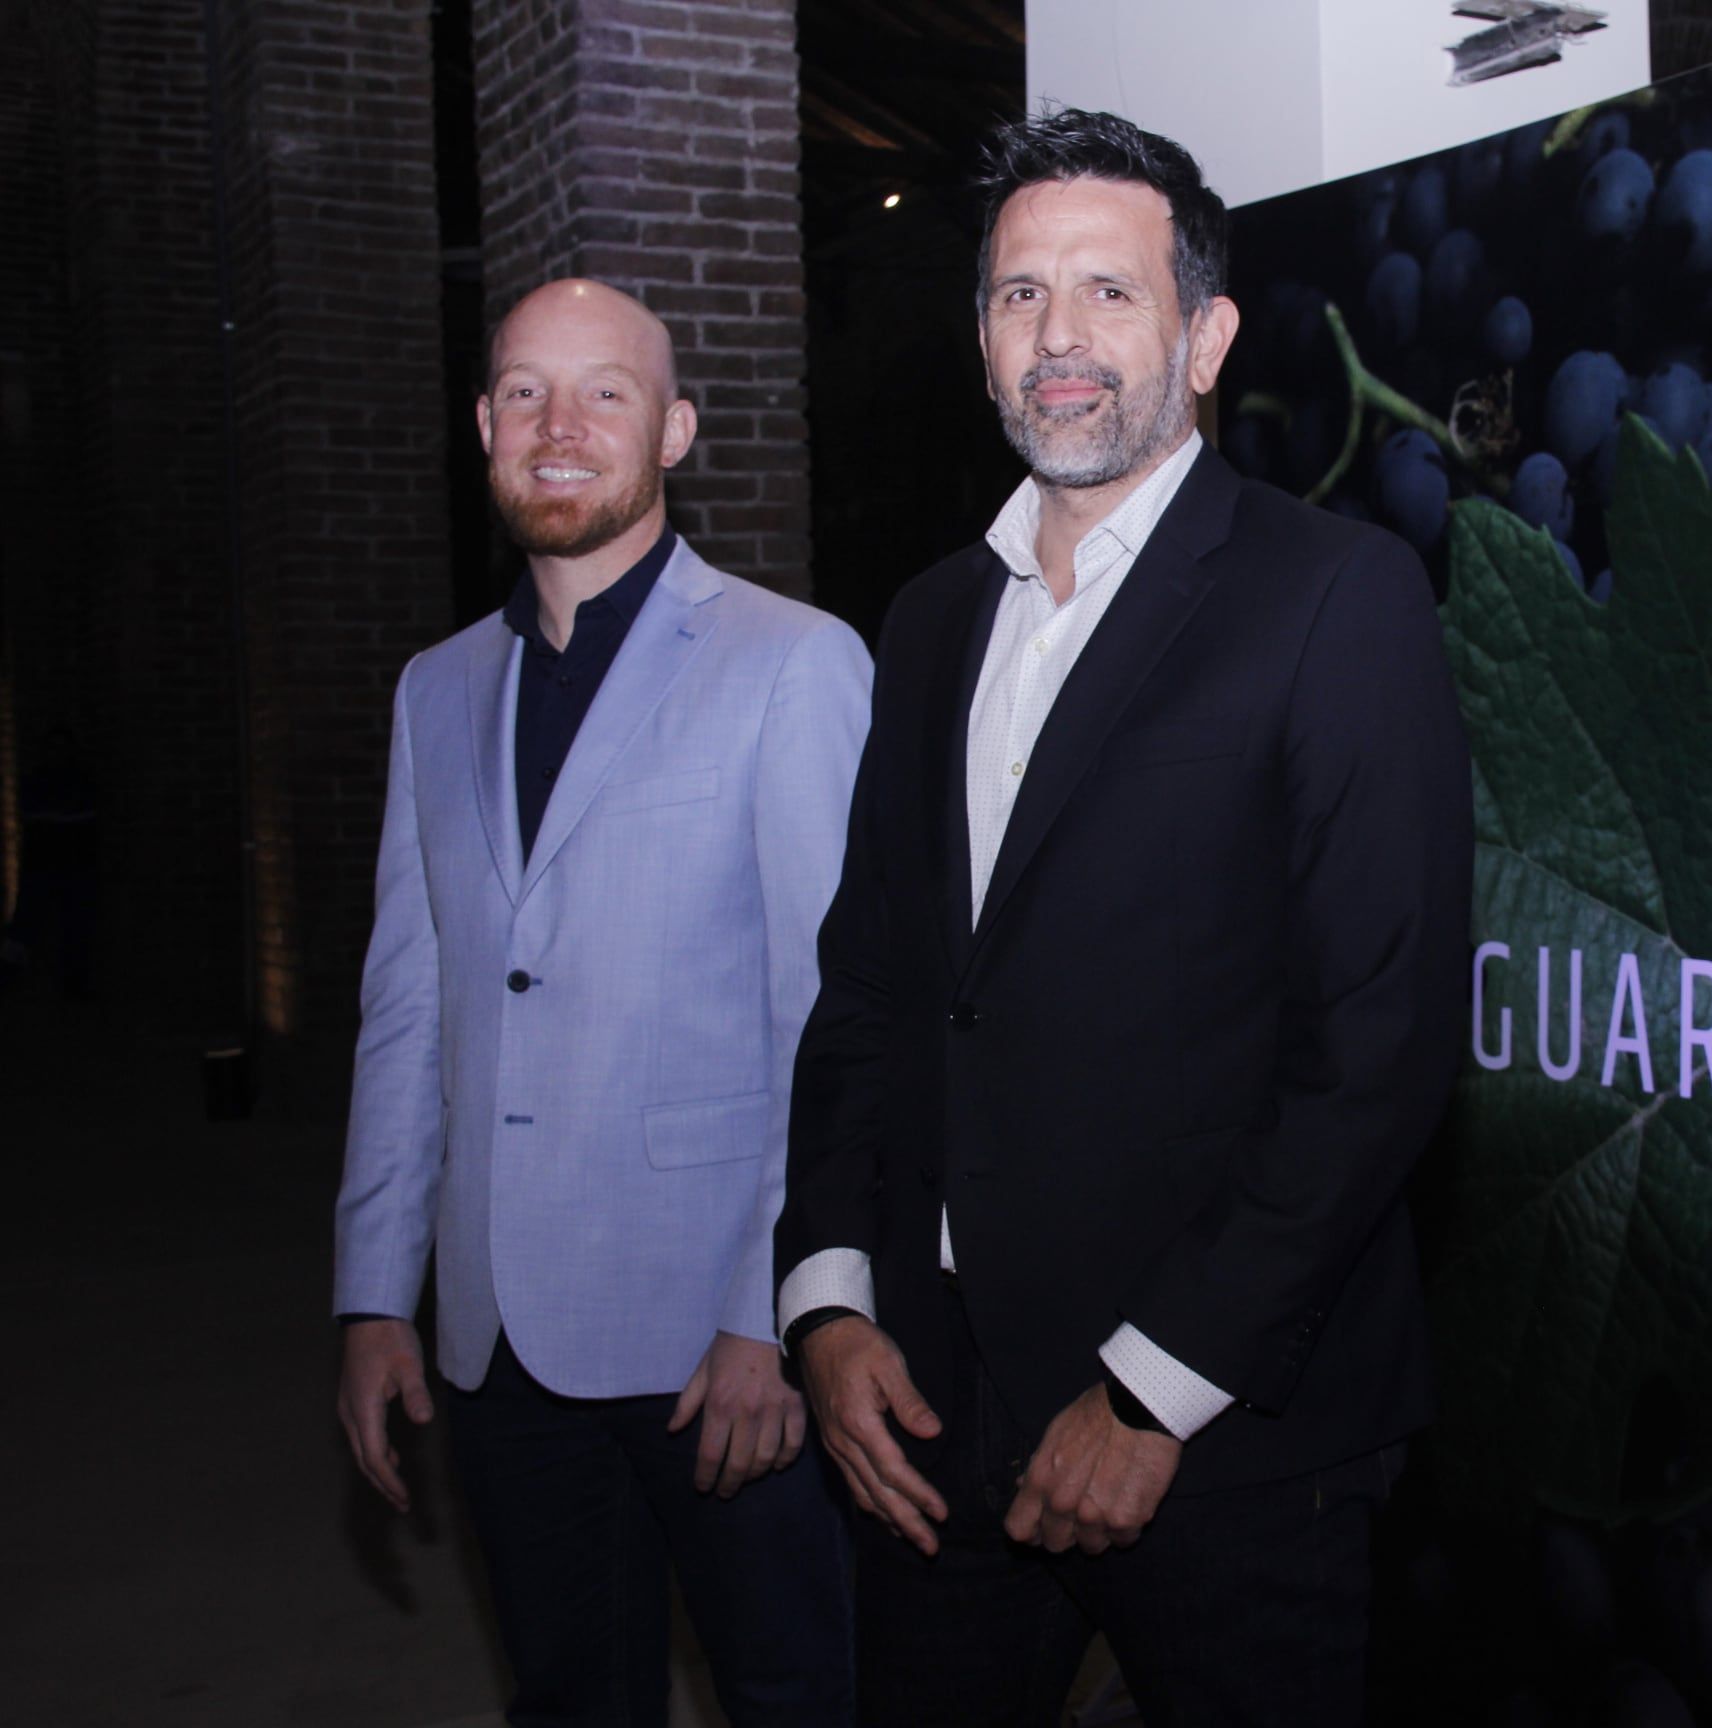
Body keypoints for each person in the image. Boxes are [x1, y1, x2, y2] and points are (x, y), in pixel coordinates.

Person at [774, 109, 1473, 1726]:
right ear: (982, 340)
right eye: (1023, 296)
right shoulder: (934, 615)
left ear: (1206, 335)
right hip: (930, 1414)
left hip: (1227, 1440)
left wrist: (1151, 1391)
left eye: (1109, 291)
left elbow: (1379, 1047)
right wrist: (826, 1296)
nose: (1061, 338)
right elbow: (872, 988)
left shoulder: (1333, 599)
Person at [333, 278, 870, 1725]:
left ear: (675, 428)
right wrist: (377, 1293)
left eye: (605, 393)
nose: (558, 427)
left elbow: (824, 1018)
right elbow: (410, 1005)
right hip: (496, 1331)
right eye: (523, 392)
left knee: (789, 1691)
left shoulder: (791, 663)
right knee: (569, 1697)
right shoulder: (435, 691)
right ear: (485, 424)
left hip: (713, 1339)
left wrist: (779, 1312)